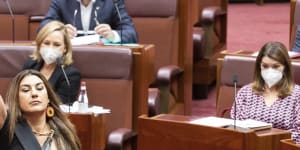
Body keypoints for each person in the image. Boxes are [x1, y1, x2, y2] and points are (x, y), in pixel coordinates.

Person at [231, 41, 300, 144]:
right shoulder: (245, 92)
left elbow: (298, 135)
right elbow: (235, 128)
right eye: (265, 66)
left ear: (285, 67)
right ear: (259, 66)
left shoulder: (297, 95)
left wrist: (268, 143)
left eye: (276, 66)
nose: (270, 71)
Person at [0, 69, 81, 150]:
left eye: (39, 88)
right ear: (16, 99)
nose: (34, 94)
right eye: (26, 90)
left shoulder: (64, 130)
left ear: (48, 97)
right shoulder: (9, 128)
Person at [23, 21, 81, 104]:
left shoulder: (70, 74)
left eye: (56, 45)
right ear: (39, 44)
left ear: (65, 48)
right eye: (46, 43)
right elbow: (17, 92)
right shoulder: (30, 64)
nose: (50, 48)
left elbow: (60, 104)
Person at [40, 0, 138, 43]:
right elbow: (43, 28)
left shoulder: (113, 1)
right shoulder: (61, 1)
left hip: (103, 59)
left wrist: (112, 35)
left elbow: (131, 33)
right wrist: (59, 32)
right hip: (68, 59)